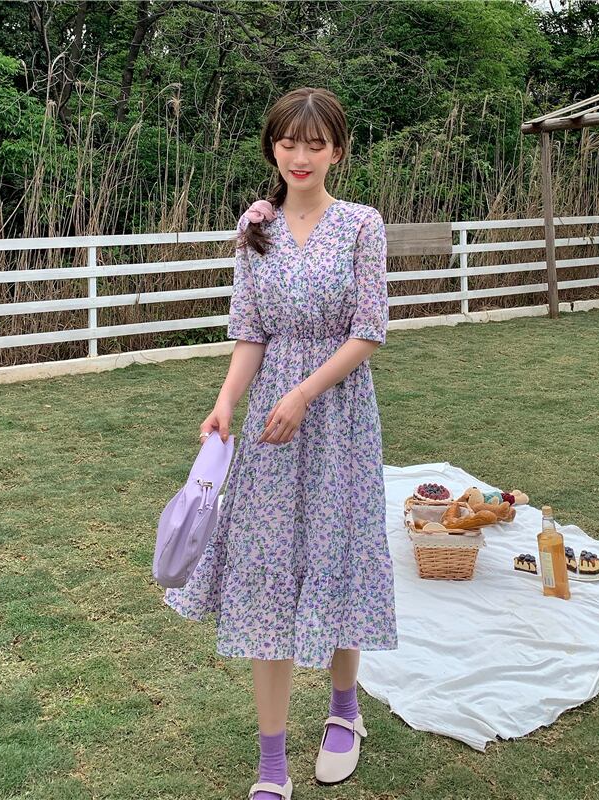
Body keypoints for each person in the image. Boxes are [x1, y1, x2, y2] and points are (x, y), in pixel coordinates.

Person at [163, 87, 398, 800]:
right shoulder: (254, 228)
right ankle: (272, 765)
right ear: (272, 147)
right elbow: (250, 330)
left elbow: (369, 330)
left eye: (315, 144)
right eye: (289, 142)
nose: (301, 156)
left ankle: (344, 710)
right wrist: (225, 401)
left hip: (338, 415)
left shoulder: (361, 225)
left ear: (338, 151)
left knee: (338, 554)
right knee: (265, 571)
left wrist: (304, 394)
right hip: (270, 421)